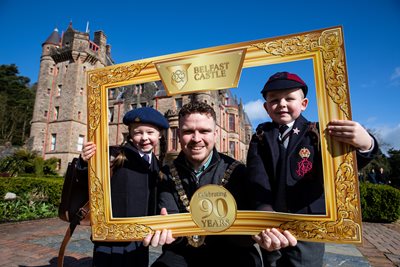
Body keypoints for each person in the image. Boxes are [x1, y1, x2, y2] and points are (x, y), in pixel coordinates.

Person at [246, 71, 379, 267]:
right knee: (272, 263)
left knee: (305, 263)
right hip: (272, 222)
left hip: (309, 222)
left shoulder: (319, 133)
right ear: (266, 107)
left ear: (304, 104)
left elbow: (344, 166)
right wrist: (265, 212)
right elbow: (257, 177)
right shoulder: (260, 136)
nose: (281, 104)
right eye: (274, 100)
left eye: (289, 98)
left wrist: (366, 144)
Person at [145, 101, 297, 267]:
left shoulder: (239, 171)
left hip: (232, 252)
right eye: (188, 131)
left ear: (216, 133)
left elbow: (252, 221)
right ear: (178, 134)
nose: (196, 139)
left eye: (204, 131)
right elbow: (170, 220)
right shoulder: (166, 173)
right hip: (183, 252)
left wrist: (259, 233)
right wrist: (166, 230)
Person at [78, 107, 169, 267]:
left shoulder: (156, 164)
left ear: (159, 134)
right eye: (138, 132)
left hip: (140, 236)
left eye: (150, 132)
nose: (144, 138)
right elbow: (88, 179)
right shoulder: (114, 156)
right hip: (111, 235)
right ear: (130, 134)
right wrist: (85, 162)